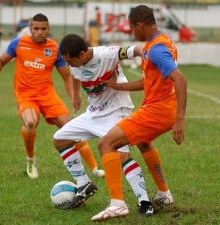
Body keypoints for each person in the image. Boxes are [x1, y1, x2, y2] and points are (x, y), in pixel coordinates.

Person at [53, 33, 173, 215]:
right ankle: (83, 184)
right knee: (60, 140)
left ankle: (145, 203)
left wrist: (152, 64)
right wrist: (76, 95)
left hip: (118, 110)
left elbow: (138, 50)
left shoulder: (107, 54)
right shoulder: (75, 64)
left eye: (71, 61)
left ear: (84, 54)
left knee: (121, 155)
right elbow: (76, 76)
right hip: (93, 113)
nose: (69, 65)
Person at [91, 5, 187, 221]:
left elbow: (180, 79)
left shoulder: (156, 49)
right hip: (163, 108)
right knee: (144, 143)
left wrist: (180, 120)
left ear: (140, 25)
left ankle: (117, 204)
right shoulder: (162, 43)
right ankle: (164, 194)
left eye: (132, 28)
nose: (131, 32)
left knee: (106, 144)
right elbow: (150, 81)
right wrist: (118, 86)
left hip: (158, 111)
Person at [0, 13, 104, 179]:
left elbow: (67, 76)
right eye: (36, 28)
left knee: (72, 128)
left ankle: (94, 168)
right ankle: (31, 160)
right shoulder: (19, 43)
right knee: (30, 123)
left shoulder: (55, 48)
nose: (39, 32)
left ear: (48, 29)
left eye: (43, 29)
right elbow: (1, 60)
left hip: (48, 96)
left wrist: (74, 96)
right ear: (30, 28)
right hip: (26, 96)